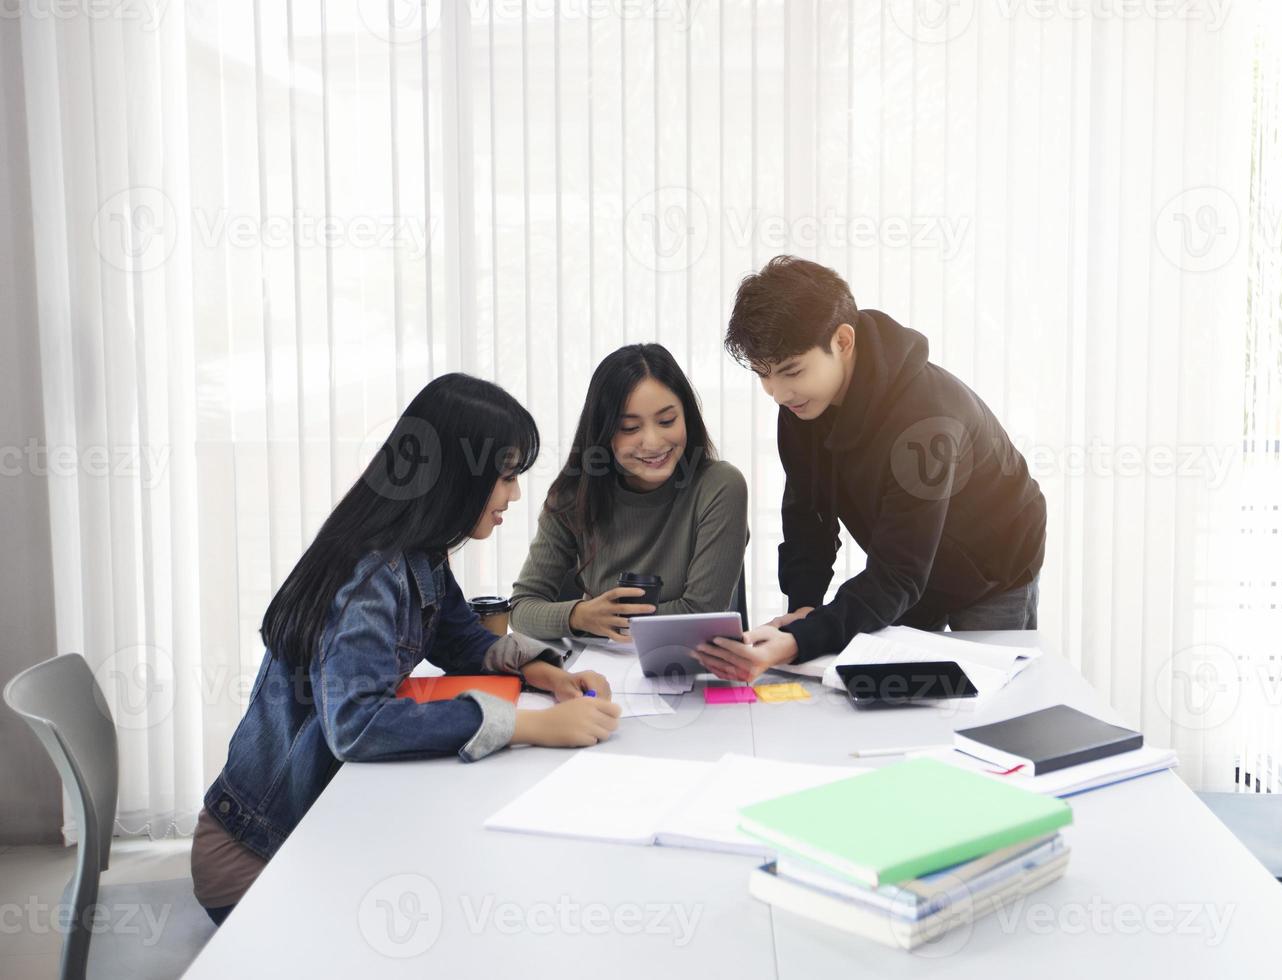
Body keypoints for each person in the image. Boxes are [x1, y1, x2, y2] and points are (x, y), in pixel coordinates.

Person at [191, 373, 620, 925]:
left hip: (308, 831)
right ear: (457, 477)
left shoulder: (419, 555)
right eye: (506, 476)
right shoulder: (371, 576)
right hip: (257, 858)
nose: (514, 495)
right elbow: (357, 725)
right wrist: (526, 725)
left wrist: (544, 673)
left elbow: (463, 639)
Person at [696, 256, 1045, 682]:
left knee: (989, 700)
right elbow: (808, 520)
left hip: (995, 565)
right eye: (762, 375)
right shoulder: (802, 405)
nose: (776, 392)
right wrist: (803, 610)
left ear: (843, 341)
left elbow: (898, 575)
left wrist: (804, 639)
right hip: (910, 561)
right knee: (901, 697)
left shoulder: (927, 420)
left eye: (791, 371)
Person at [510, 344, 748, 643]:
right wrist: (580, 615)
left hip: (688, 662)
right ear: (604, 432)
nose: (652, 441)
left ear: (687, 416)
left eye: (666, 421)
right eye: (630, 427)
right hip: (598, 669)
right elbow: (521, 609)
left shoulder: (720, 486)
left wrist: (608, 620)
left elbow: (701, 612)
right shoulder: (574, 495)